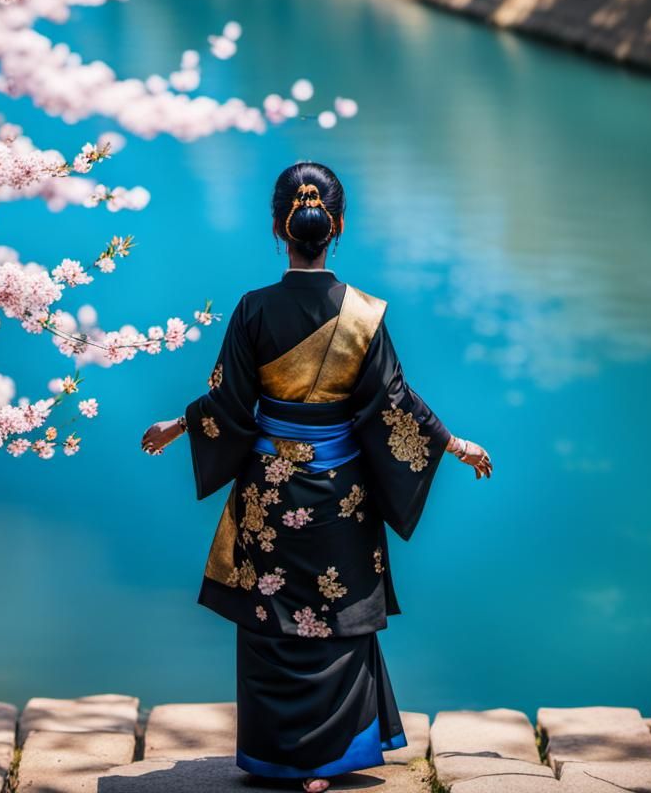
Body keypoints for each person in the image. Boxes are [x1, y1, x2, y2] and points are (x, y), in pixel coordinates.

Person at [141, 161, 493, 793]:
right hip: (341, 497)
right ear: (338, 226)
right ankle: (329, 762)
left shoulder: (253, 309)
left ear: (279, 227)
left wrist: (177, 425)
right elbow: (396, 406)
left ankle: (277, 757)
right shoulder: (364, 315)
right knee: (335, 619)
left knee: (271, 616)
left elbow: (228, 404)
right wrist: (454, 444)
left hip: (269, 497)